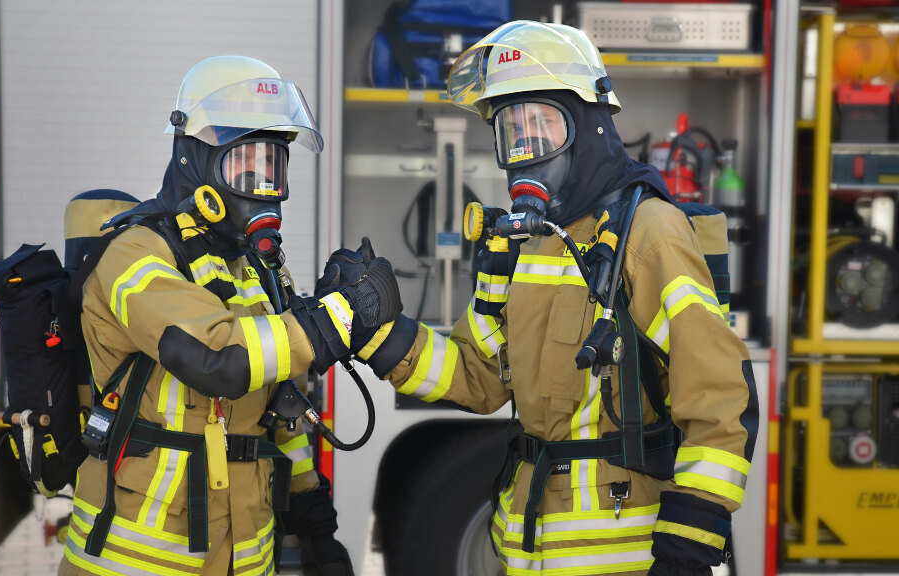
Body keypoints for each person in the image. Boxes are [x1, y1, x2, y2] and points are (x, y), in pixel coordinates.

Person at [323, 22, 758, 576]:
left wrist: (686, 549)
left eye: (542, 126)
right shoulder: (519, 242)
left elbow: (720, 400)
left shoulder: (650, 233)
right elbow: (480, 376)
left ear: (592, 126)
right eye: (512, 131)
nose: (525, 149)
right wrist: (384, 335)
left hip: (623, 559)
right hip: (525, 552)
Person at [59, 55, 401, 576]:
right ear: (193, 161)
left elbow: (282, 412)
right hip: (139, 562)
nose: (262, 184)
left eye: (273, 166)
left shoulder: (250, 271)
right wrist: (337, 318)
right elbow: (217, 360)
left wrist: (317, 527)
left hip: (244, 559)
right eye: (244, 164)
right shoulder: (137, 254)